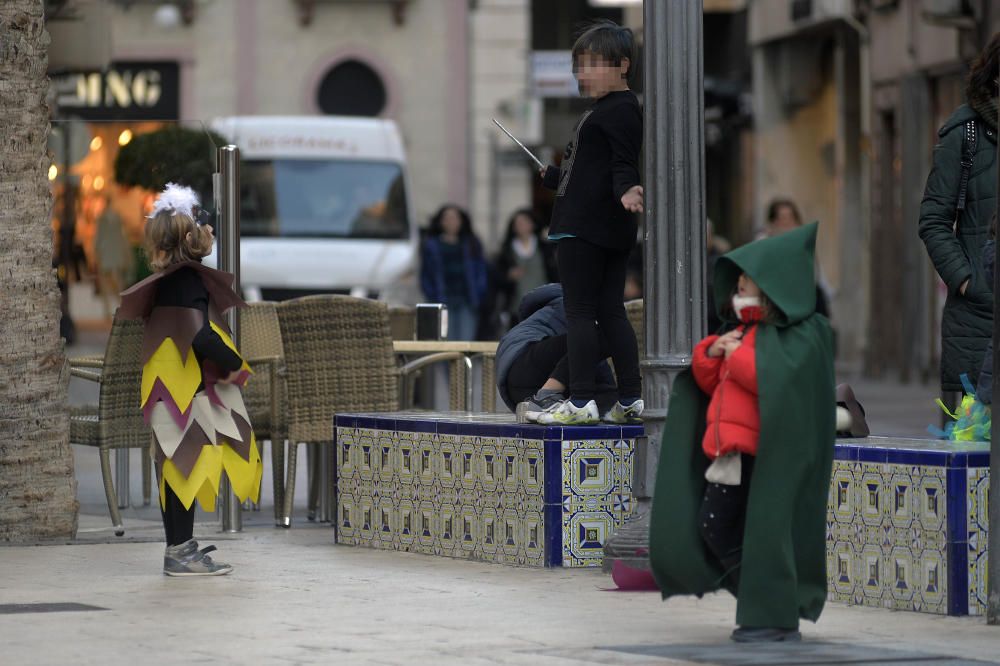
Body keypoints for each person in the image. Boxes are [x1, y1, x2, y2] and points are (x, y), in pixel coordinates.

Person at [649, 223, 835, 642]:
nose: (737, 288)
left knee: (748, 528)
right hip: (730, 452)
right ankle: (762, 594)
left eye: (746, 282)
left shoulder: (799, 337)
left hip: (761, 455)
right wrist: (711, 352)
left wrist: (737, 358)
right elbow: (710, 381)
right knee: (715, 527)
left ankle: (771, 608)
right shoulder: (744, 331)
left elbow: (776, 384)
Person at [117, 183, 262, 576]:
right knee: (182, 466)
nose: (212, 231)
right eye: (206, 225)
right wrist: (236, 364)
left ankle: (180, 548)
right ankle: (180, 552)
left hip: (173, 388)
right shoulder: (187, 281)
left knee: (180, 467)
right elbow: (200, 335)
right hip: (182, 390)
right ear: (189, 236)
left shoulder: (172, 279)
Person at [536, 19, 644, 425]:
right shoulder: (611, 108)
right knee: (611, 311)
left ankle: (581, 401)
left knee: (580, 313)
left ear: (622, 65)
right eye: (580, 65)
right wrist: (555, 178)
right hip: (605, 227)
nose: (584, 73)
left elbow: (622, 163)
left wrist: (628, 188)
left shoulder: (618, 110)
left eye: (595, 63)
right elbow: (593, 171)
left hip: (585, 228)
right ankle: (631, 396)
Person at [919, 32, 999, 406]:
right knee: (978, 455)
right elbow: (933, 220)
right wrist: (970, 282)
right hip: (980, 322)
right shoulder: (966, 133)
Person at [495, 283, 618, 421]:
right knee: (601, 336)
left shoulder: (542, 313)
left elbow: (526, 303)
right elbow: (587, 348)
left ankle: (547, 399)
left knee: (587, 350)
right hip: (525, 365)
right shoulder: (573, 302)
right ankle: (546, 396)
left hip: (516, 390)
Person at [420, 205, 488, 341]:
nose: (451, 222)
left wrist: (479, 293)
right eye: (447, 218)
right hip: (442, 299)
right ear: (440, 222)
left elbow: (481, 271)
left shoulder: (471, 243)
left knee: (466, 340)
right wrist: (432, 296)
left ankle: (463, 364)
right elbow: (425, 275)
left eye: (455, 218)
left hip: (467, 300)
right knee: (446, 341)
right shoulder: (431, 245)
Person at [761, 198, 831, 318]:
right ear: (773, 221)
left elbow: (816, 275)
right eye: (782, 218)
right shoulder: (765, 245)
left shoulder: (804, 243)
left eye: (791, 217)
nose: (787, 222)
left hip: (806, 303)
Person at [494, 209, 557, 329]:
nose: (521, 226)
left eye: (524, 222)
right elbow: (497, 276)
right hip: (516, 305)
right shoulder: (507, 250)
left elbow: (554, 271)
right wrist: (508, 275)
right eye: (517, 223)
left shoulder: (545, 246)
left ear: (532, 225)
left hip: (543, 303)